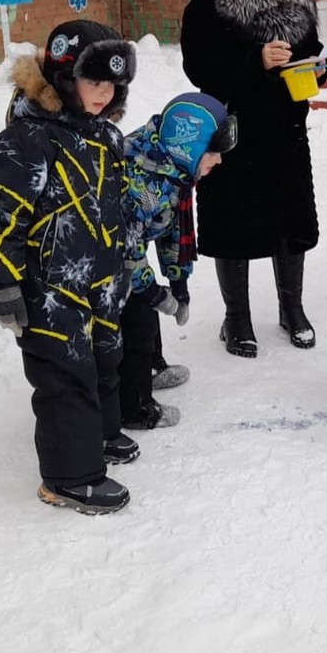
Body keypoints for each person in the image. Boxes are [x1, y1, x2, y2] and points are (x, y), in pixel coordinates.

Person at [0, 19, 139, 515]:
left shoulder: (105, 135)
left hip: (101, 277)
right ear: (64, 80)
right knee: (65, 375)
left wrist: (129, 254)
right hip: (49, 287)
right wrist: (4, 285)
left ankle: (101, 436)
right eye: (93, 82)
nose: (103, 94)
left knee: (105, 358)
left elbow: (121, 200)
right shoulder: (26, 141)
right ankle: (70, 477)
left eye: (113, 84)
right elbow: (1, 216)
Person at [180, 0, 325, 357]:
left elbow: (311, 46)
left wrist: (314, 71)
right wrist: (255, 61)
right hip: (234, 134)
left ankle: (292, 308)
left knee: (289, 224)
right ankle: (236, 319)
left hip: (284, 132)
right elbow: (197, 64)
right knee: (234, 226)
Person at [118, 91, 237, 431]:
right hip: (107, 268)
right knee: (136, 322)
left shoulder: (172, 170)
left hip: (126, 259)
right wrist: (154, 294)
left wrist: (177, 283)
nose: (218, 161)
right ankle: (135, 407)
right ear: (189, 145)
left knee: (145, 315)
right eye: (213, 153)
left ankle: (152, 369)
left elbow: (173, 228)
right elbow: (126, 253)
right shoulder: (140, 180)